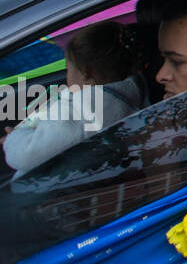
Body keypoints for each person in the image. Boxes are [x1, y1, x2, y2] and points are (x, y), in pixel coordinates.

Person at [3, 22, 147, 175]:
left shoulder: (81, 111)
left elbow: (28, 155)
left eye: (68, 70)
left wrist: (13, 139)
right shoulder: (128, 99)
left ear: (86, 72)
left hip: (52, 191)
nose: (67, 77)